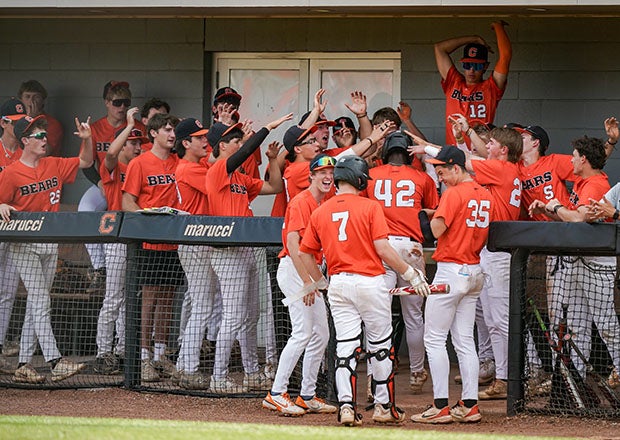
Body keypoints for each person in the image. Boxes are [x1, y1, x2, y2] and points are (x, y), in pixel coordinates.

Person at [298, 152, 431, 426]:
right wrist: (409, 272)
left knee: (345, 346)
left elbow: (305, 253)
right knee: (380, 346)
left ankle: (346, 406)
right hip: (370, 281)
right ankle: (383, 407)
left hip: (339, 283)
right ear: (359, 179)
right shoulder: (370, 207)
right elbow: (383, 248)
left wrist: (319, 282)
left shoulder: (321, 210)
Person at [0, 114, 94, 383]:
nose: (44, 138)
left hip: (50, 242)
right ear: (25, 141)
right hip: (24, 244)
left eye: (44, 133)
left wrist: (87, 140)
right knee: (41, 299)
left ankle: (23, 364)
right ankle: (55, 361)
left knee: (36, 302)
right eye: (38, 135)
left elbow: (86, 162)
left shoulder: (53, 163)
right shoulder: (10, 173)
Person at [205, 113, 292, 393]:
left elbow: (275, 186)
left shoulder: (240, 178)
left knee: (251, 314)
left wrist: (272, 161)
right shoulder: (218, 169)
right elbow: (243, 152)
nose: (240, 144)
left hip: (246, 249)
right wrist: (268, 127)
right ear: (222, 146)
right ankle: (218, 377)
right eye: (234, 141)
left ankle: (252, 372)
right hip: (226, 251)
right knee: (233, 316)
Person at [529, 136, 620, 388]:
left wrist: (555, 206)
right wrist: (548, 209)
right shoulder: (581, 181)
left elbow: (578, 219)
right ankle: (573, 380)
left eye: (575, 155)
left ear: (584, 160)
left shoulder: (595, 183)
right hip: (579, 259)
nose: (571, 160)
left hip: (597, 262)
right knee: (576, 323)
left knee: (605, 323)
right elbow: (569, 217)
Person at [411, 146, 492, 424]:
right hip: (474, 270)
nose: (440, 176)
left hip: (450, 271)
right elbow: (460, 218)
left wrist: (424, 216)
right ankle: (470, 405)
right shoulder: (483, 192)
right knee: (464, 340)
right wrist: (436, 210)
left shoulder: (454, 193)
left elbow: (435, 231)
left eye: (442, 170)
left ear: (456, 167)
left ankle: (440, 406)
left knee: (433, 339)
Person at [262, 153, 339, 416]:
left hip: (310, 271)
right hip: (295, 272)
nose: (328, 177)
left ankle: (307, 395)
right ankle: (276, 393)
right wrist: (308, 282)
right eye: (322, 173)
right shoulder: (301, 201)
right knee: (303, 332)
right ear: (312, 176)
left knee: (321, 334)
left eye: (331, 172)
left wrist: (317, 279)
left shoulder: (325, 201)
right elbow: (293, 245)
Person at [364, 131, 439, 395]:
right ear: (408, 152)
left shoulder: (371, 175)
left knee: (377, 312)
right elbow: (433, 212)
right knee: (414, 315)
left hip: (380, 246)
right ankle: (417, 371)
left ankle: (375, 375)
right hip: (410, 247)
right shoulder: (421, 177)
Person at [122, 113, 184, 383]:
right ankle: (144, 357)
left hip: (174, 242)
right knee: (149, 299)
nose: (172, 135)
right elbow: (127, 202)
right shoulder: (140, 162)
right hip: (149, 243)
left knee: (168, 299)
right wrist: (146, 221)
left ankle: (161, 355)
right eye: (168, 130)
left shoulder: (178, 162)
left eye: (174, 131)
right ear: (154, 133)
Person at [464, 127, 523, 400]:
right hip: (492, 250)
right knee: (491, 319)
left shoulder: (503, 167)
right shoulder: (504, 169)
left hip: (499, 253)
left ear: (504, 151)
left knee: (500, 319)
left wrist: (424, 146)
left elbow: (461, 160)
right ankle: (504, 376)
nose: (488, 146)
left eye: (493, 144)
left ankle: (510, 378)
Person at [80, 81, 145, 295]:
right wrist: (100, 182)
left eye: (126, 102)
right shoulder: (97, 128)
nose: (122, 107)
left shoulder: (138, 128)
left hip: (133, 184)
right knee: (85, 210)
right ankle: (100, 267)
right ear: (107, 103)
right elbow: (86, 164)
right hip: (107, 181)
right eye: (117, 102)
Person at [93, 107, 144, 375]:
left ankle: (124, 350)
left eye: (138, 142)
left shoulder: (140, 167)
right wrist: (128, 126)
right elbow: (110, 154)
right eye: (132, 142)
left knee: (130, 298)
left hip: (135, 238)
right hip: (115, 237)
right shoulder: (115, 166)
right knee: (114, 298)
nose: (136, 147)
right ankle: (103, 352)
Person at [172, 117, 219, 390]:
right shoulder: (189, 168)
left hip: (199, 240)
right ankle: (188, 368)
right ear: (185, 142)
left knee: (201, 305)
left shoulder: (197, 164)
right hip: (195, 241)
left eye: (206, 136)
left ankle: (183, 365)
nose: (205, 141)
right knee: (202, 306)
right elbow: (218, 181)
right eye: (199, 137)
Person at [434, 21, 512, 145]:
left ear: (485, 66)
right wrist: (473, 38)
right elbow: (439, 48)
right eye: (467, 64)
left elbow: (505, 56)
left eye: (476, 65)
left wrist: (498, 27)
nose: (471, 70)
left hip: (480, 152)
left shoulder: (491, 87)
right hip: (454, 152)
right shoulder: (453, 82)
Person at [0, 97, 28, 375]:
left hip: (16, 227)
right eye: (15, 123)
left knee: (8, 291)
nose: (19, 128)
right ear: (3, 123)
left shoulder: (25, 151)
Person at [17, 80, 64, 157]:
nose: (31, 101)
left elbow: (45, 152)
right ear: (21, 100)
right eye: (27, 96)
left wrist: (32, 119)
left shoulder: (53, 124)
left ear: (43, 101)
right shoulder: (15, 120)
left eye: (36, 97)